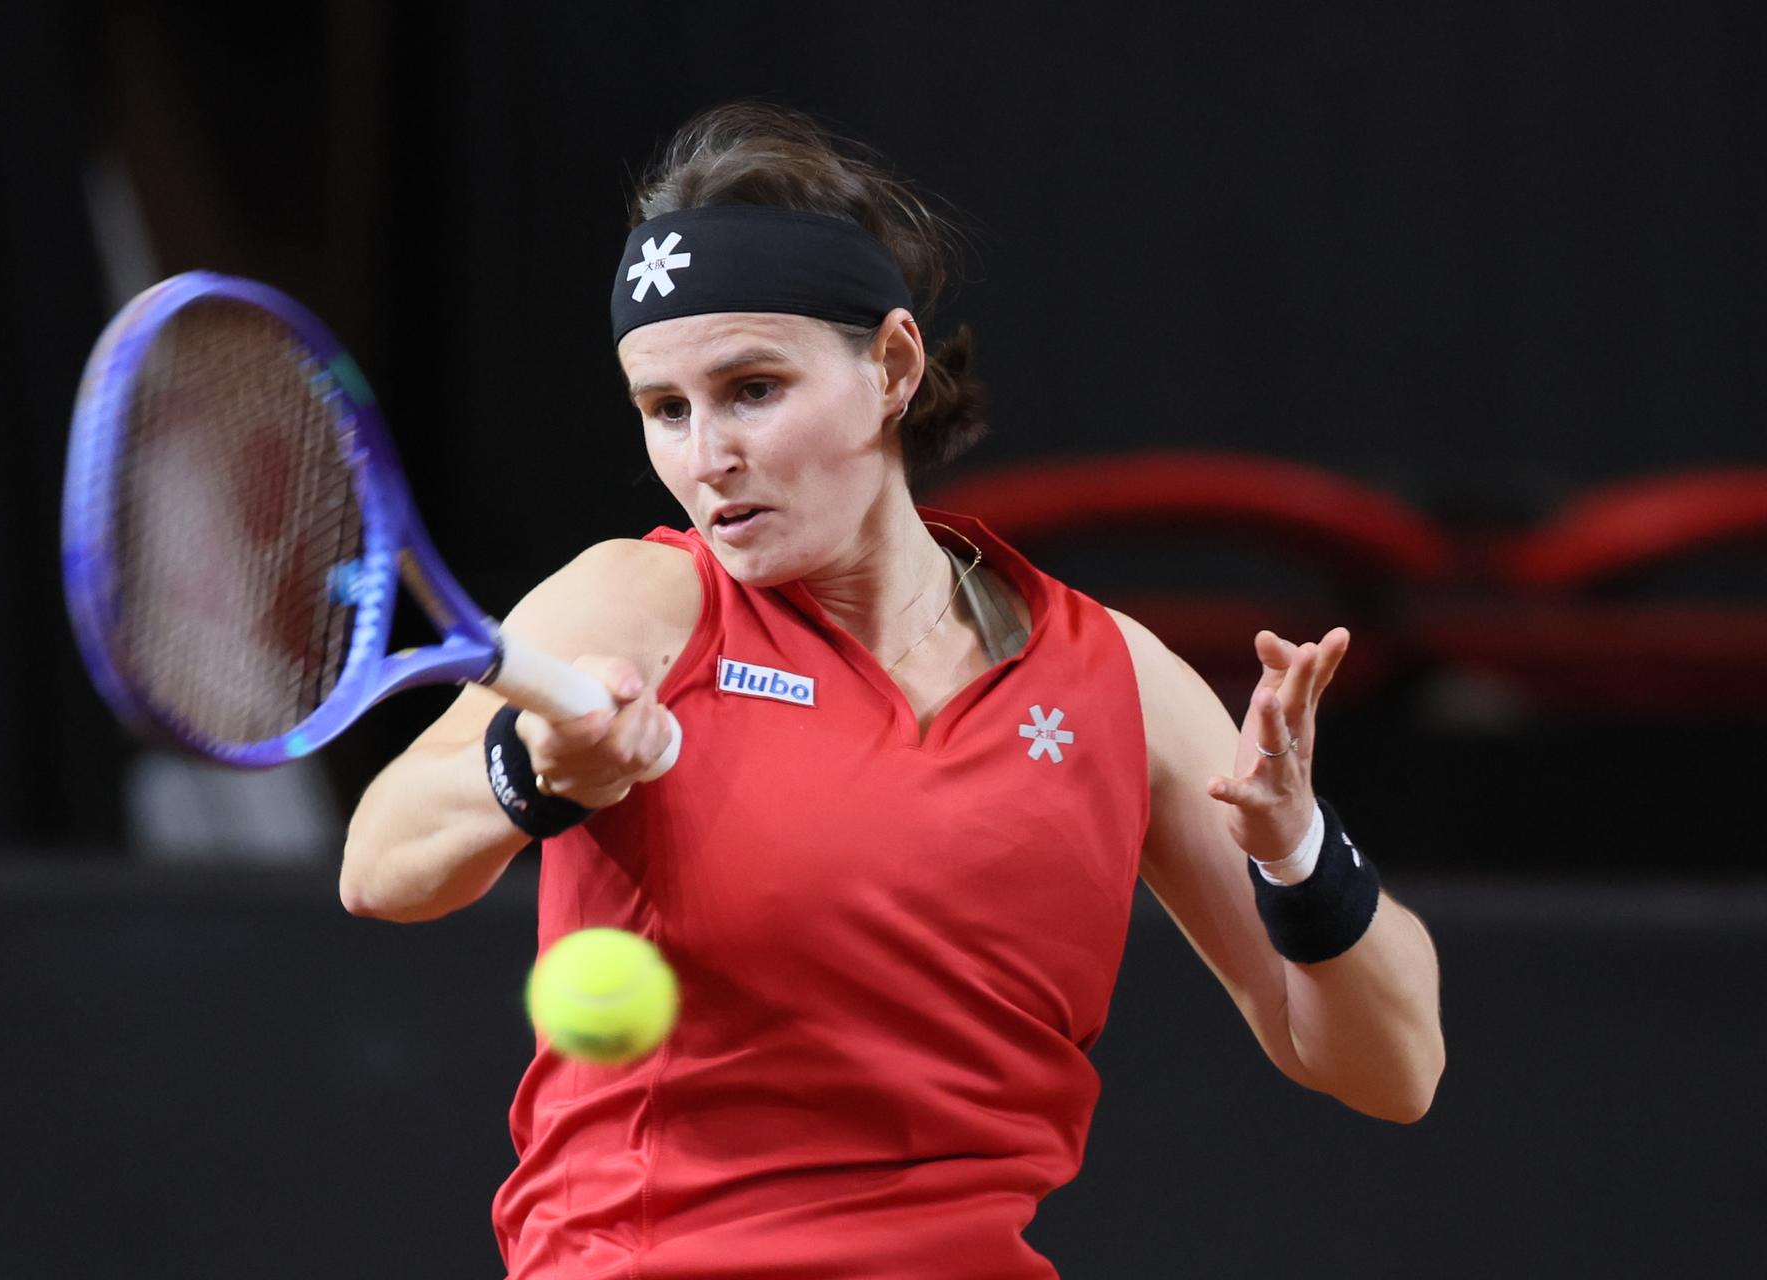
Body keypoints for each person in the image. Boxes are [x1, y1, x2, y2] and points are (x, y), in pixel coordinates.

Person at [341, 103, 1444, 1279]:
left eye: (752, 388)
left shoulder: (1114, 677)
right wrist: (533, 773)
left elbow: (1395, 1069)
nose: (707, 453)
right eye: (666, 409)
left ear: (893, 366)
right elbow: (379, 864)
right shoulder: (641, 607)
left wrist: (1296, 848)